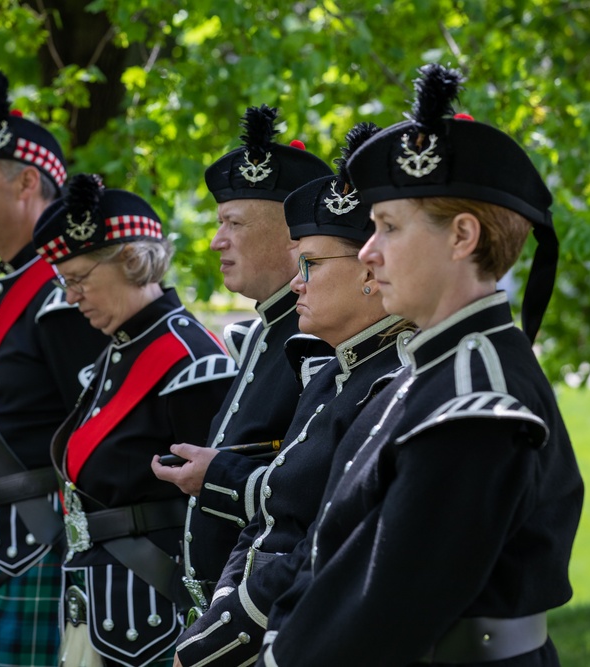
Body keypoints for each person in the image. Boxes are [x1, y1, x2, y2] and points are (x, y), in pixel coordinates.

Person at [259, 64, 584, 666]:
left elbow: (384, 612)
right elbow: (330, 548)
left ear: (462, 236)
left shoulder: (474, 401)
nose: (367, 251)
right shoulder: (433, 368)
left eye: (388, 226)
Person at [173, 123, 415, 666]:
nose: (298, 281)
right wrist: (223, 606)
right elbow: (270, 523)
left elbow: (329, 538)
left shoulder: (392, 376)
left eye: (311, 264)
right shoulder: (333, 370)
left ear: (370, 272)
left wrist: (231, 630)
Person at [32, 174, 237, 667]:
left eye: (79, 278)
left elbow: (216, 509)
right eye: (65, 282)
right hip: (103, 603)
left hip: (154, 613)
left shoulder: (188, 359)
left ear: (130, 260)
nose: (72, 295)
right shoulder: (116, 354)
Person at [0, 70, 108, 666]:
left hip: (42, 544)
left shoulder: (64, 291)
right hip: (11, 540)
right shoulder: (24, 280)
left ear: (26, 183)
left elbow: (98, 426)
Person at [150, 104, 335, 618]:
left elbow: (313, 490)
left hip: (270, 610)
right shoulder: (259, 335)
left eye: (232, 223)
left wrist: (219, 476)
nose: (216, 241)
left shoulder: (318, 338)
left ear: (289, 235)